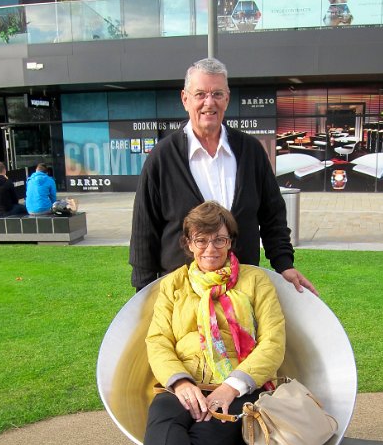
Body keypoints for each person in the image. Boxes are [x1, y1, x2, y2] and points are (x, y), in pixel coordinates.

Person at [77, 201, 286, 445]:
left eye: (219, 240)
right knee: (164, 413)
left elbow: (273, 343)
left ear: (231, 242)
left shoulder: (256, 282)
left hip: (241, 391)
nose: (210, 249)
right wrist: (181, 382)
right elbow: (158, 340)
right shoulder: (173, 284)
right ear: (188, 243)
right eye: (201, 240)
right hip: (185, 383)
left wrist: (231, 387)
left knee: (201, 438)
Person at [130, 57, 318, 296]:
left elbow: (273, 216)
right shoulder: (162, 157)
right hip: (184, 296)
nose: (209, 102)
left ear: (227, 99)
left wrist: (284, 264)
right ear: (185, 99)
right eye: (200, 94)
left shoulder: (251, 151)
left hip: (241, 292)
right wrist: (143, 292)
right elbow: (144, 231)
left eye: (217, 94)